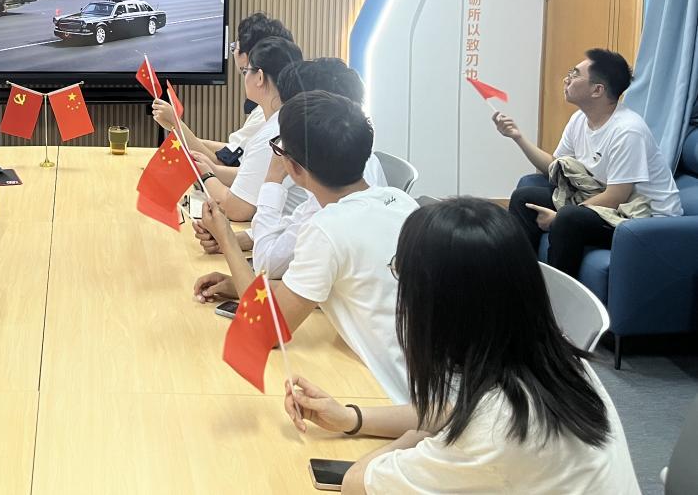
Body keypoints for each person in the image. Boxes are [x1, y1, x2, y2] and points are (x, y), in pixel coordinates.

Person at [283, 198, 639, 494]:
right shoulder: (557, 362)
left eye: (400, 275)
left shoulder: (493, 435)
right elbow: (455, 411)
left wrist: (413, 442)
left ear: (440, 305)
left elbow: (356, 483)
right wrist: (351, 418)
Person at [194, 91, 418, 403]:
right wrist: (238, 284)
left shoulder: (327, 228)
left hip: (395, 396)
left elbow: (267, 331)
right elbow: (327, 285)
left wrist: (228, 240)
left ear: (294, 168)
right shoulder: (401, 203)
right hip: (430, 381)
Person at [195, 58, 387, 277]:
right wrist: (231, 238)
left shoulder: (329, 206)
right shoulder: (344, 171)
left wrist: (272, 179)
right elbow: (295, 225)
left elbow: (268, 263)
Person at [499, 48, 681, 277]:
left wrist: (557, 219)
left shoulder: (628, 131)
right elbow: (554, 166)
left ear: (597, 90)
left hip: (644, 219)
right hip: (606, 201)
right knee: (523, 198)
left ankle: (559, 296)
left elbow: (616, 196)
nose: (566, 79)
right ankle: (520, 280)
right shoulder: (579, 119)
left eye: (574, 75)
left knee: (568, 218)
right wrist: (517, 137)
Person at [151, 13, 294, 182]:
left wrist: (177, 125)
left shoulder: (268, 116)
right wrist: (181, 133)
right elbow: (233, 152)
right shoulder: (276, 106)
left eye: (246, 71)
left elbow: (226, 165)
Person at [197, 36, 303, 221]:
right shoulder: (286, 118)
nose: (244, 77)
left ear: (259, 77)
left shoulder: (274, 134)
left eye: (246, 71)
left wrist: (205, 175)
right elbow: (251, 175)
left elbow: (236, 209)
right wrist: (212, 169)